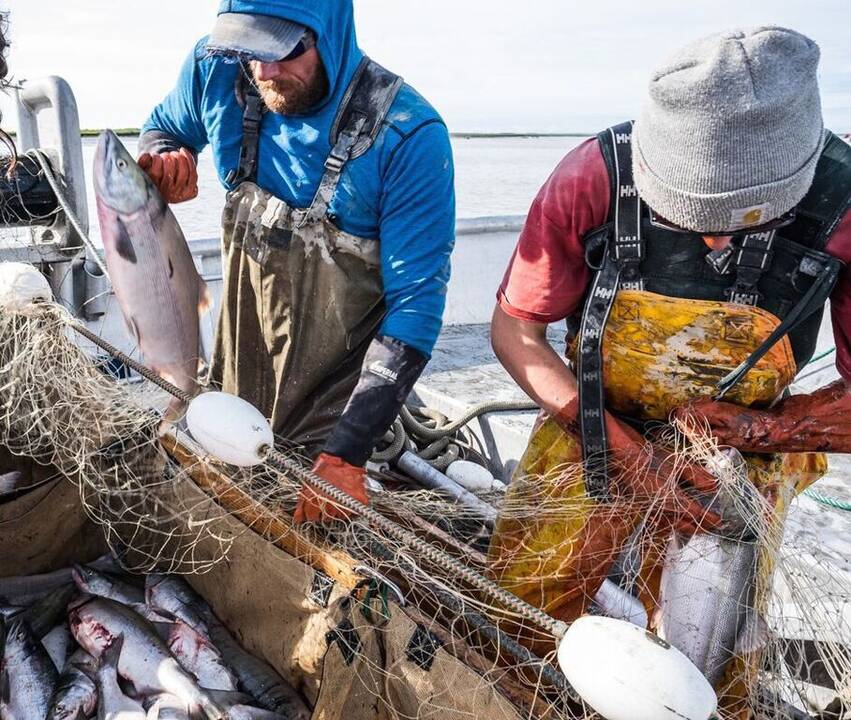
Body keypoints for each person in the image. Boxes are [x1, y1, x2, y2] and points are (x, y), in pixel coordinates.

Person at [487, 26, 851, 713]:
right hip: (590, 426)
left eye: (735, 218)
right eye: (685, 213)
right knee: (519, 610)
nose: (712, 239)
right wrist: (615, 446)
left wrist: (758, 431)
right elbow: (517, 330)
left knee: (716, 666)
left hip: (733, 464)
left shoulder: (844, 204)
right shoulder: (590, 175)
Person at [138, 0, 455, 524]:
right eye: (248, 49)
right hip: (234, 389)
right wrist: (168, 155)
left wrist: (347, 452)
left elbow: (415, 311)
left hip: (336, 412)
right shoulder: (216, 68)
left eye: (283, 49)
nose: (264, 71)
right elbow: (163, 126)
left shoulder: (406, 136)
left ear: (328, 32)